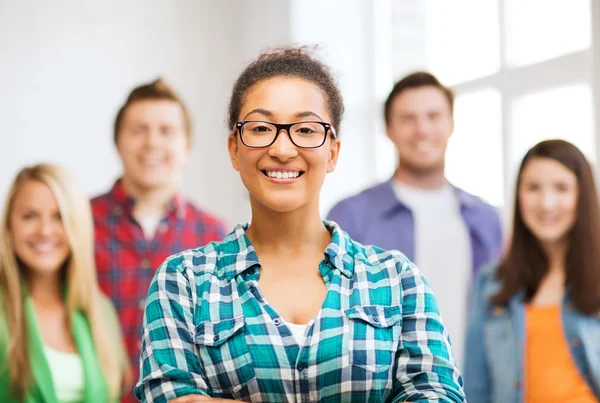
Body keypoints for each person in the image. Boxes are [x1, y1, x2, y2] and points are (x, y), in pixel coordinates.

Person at [135, 46, 465, 403]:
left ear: (333, 152)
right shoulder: (183, 281)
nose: (282, 148)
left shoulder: (398, 280)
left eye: (306, 129)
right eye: (261, 128)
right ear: (234, 149)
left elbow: (436, 394)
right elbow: (169, 395)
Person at [327, 72, 502, 365]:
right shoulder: (350, 216)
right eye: (408, 119)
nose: (422, 130)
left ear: (451, 124)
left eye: (434, 116)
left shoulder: (486, 219)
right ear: (388, 129)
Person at [91, 78, 227, 401]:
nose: (152, 143)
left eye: (166, 131)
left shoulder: (213, 235)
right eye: (138, 130)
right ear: (118, 142)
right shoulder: (78, 224)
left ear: (187, 147)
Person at [463, 139, 600, 402]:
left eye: (562, 188)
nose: (546, 203)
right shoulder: (491, 283)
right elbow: (475, 388)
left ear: (582, 196)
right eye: (533, 188)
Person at [0, 164, 130, 403]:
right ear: (9, 225)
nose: (45, 230)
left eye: (59, 217)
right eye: (29, 216)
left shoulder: (100, 311)